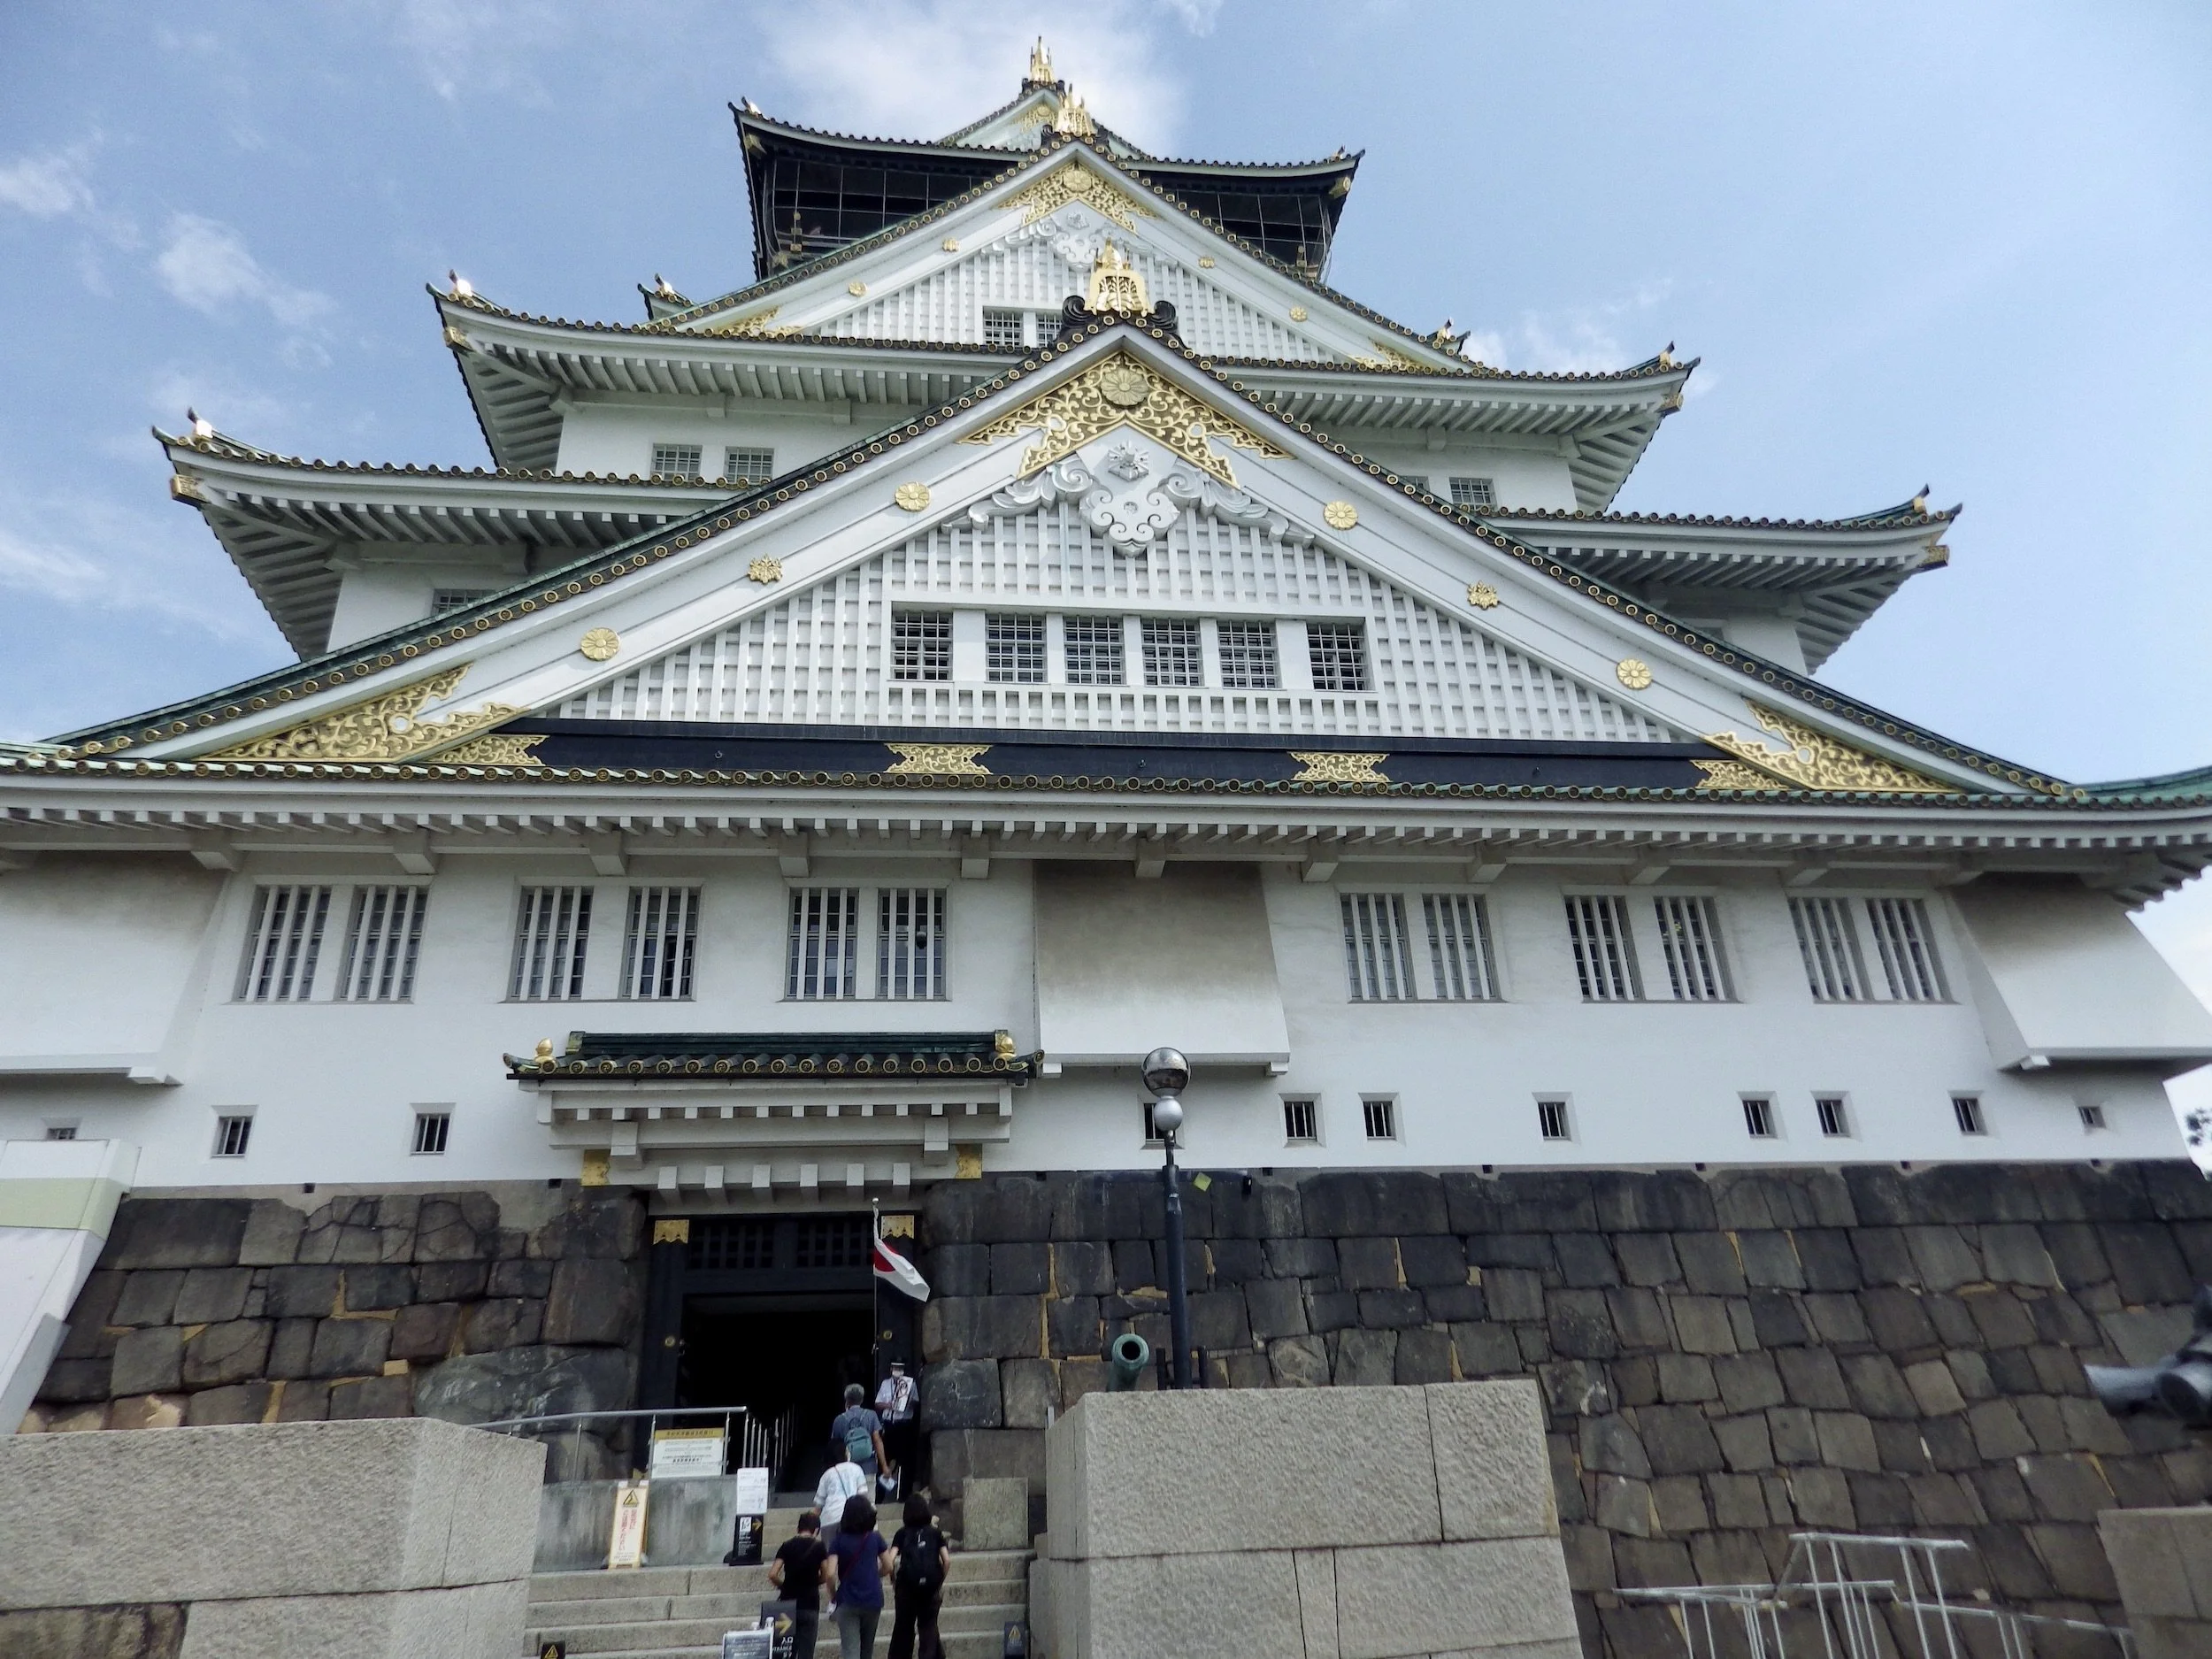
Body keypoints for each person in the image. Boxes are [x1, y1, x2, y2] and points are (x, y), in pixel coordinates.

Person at [821, 1495, 894, 1659]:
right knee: (867, 1650)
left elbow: (830, 1574)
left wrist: (833, 1595)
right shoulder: (875, 1538)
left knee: (850, 1651)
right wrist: (876, 1575)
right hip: (873, 1599)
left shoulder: (838, 1541)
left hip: (848, 1600)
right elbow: (889, 1566)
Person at [887, 1494, 949, 1659]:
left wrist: (893, 1580)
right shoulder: (935, 1533)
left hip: (906, 1588)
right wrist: (939, 1580)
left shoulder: (902, 1533)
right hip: (930, 1588)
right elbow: (947, 1560)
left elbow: (890, 1560)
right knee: (928, 1627)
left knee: (904, 1628)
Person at [766, 1509, 828, 1659]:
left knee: (787, 1651)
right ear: (816, 1530)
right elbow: (826, 1575)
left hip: (787, 1605)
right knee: (807, 1652)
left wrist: (784, 1586)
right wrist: (815, 1582)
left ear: (798, 1528)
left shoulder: (786, 1546)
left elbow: (773, 1574)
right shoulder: (819, 1547)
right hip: (810, 1604)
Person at [873, 1362, 918, 1497]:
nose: (898, 1370)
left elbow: (916, 1402)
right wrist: (888, 1405)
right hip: (889, 1425)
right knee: (884, 1460)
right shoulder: (885, 1384)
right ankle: (879, 1496)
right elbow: (878, 1403)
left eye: (900, 1368)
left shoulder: (911, 1383)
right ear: (891, 1369)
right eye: (896, 1368)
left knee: (906, 1462)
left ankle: (904, 1496)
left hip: (904, 1426)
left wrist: (907, 1400)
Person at [831, 1382, 887, 1486]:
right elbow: (877, 1441)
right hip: (869, 1468)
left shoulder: (839, 1420)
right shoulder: (871, 1415)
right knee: (869, 1495)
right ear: (862, 1399)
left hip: (847, 1471)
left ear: (847, 1400)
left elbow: (835, 1447)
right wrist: (884, 1466)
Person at [814, 1443, 871, 1535]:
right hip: (852, 1520)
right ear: (844, 1454)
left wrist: (811, 1525)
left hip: (829, 1520)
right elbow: (863, 1496)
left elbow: (818, 1506)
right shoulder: (856, 1469)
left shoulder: (826, 1475)